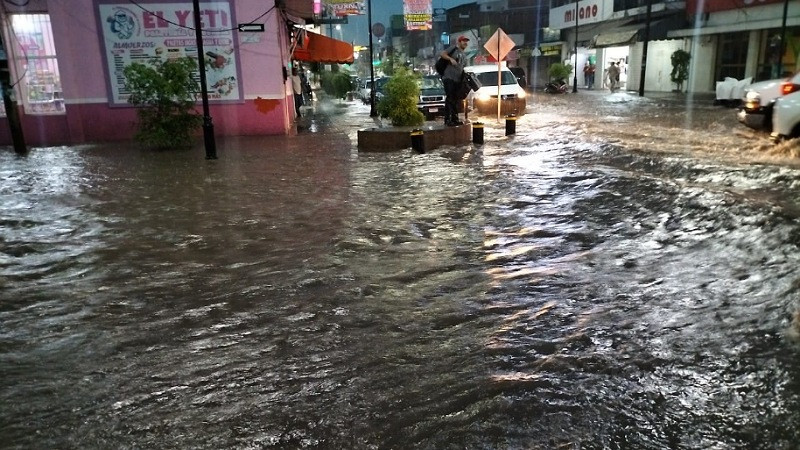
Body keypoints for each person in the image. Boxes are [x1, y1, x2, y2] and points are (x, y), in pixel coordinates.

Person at [439, 35, 469, 126]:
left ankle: (454, 119)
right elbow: (442, 54)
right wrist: (450, 58)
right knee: (450, 98)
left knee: (455, 99)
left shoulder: (464, 55)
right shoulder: (454, 49)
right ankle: (448, 120)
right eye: (463, 41)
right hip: (448, 77)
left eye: (466, 41)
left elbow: (462, 68)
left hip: (457, 80)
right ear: (459, 42)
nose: (465, 43)